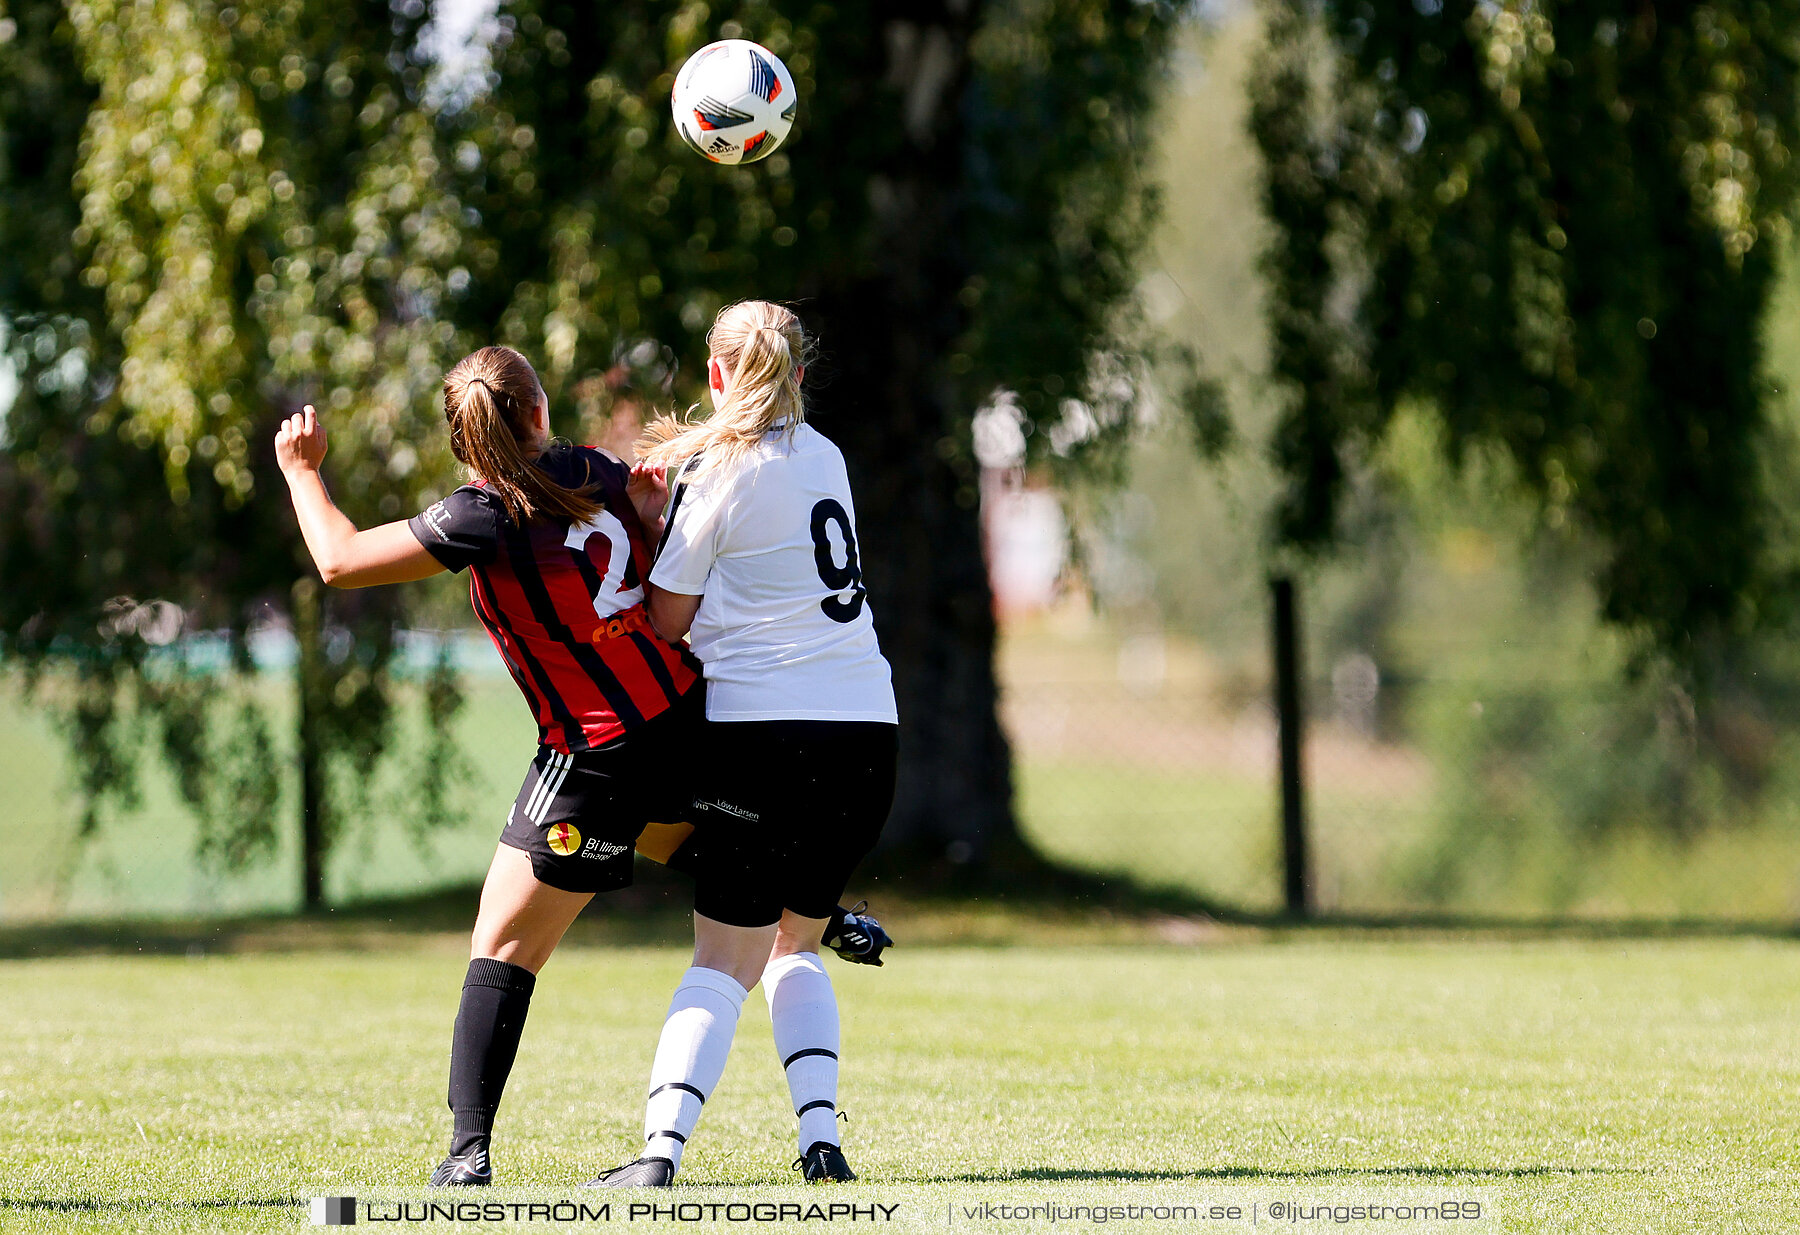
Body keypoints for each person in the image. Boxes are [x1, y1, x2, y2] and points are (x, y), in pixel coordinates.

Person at [274, 345, 706, 1188]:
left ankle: (467, 1153)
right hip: (686, 722)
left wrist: (302, 471)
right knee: (700, 861)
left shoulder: (484, 513)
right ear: (539, 412)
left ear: (463, 440)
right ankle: (818, 914)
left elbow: (339, 558)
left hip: (594, 756)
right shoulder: (599, 469)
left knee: (501, 945)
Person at [589, 301, 898, 1188]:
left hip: (767, 733)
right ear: (800, 373)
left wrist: (653, 524)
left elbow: (665, 620)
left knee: (723, 959)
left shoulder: (715, 472)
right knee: (792, 945)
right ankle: (822, 1143)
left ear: (717, 376)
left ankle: (658, 1154)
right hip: (869, 731)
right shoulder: (827, 454)